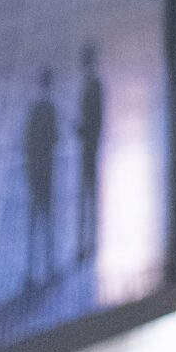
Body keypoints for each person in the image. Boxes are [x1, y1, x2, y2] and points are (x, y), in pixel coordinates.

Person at [23, 68, 59, 287]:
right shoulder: (50, 109)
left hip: (36, 173)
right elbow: (55, 139)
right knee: (46, 221)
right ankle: (48, 266)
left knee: (35, 222)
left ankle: (31, 269)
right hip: (46, 172)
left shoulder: (35, 109)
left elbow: (27, 142)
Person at [75, 42, 104, 264]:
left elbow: (93, 122)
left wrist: (80, 130)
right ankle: (87, 242)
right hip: (90, 147)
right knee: (88, 196)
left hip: (89, 149)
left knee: (88, 195)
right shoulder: (93, 85)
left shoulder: (92, 87)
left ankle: (88, 242)